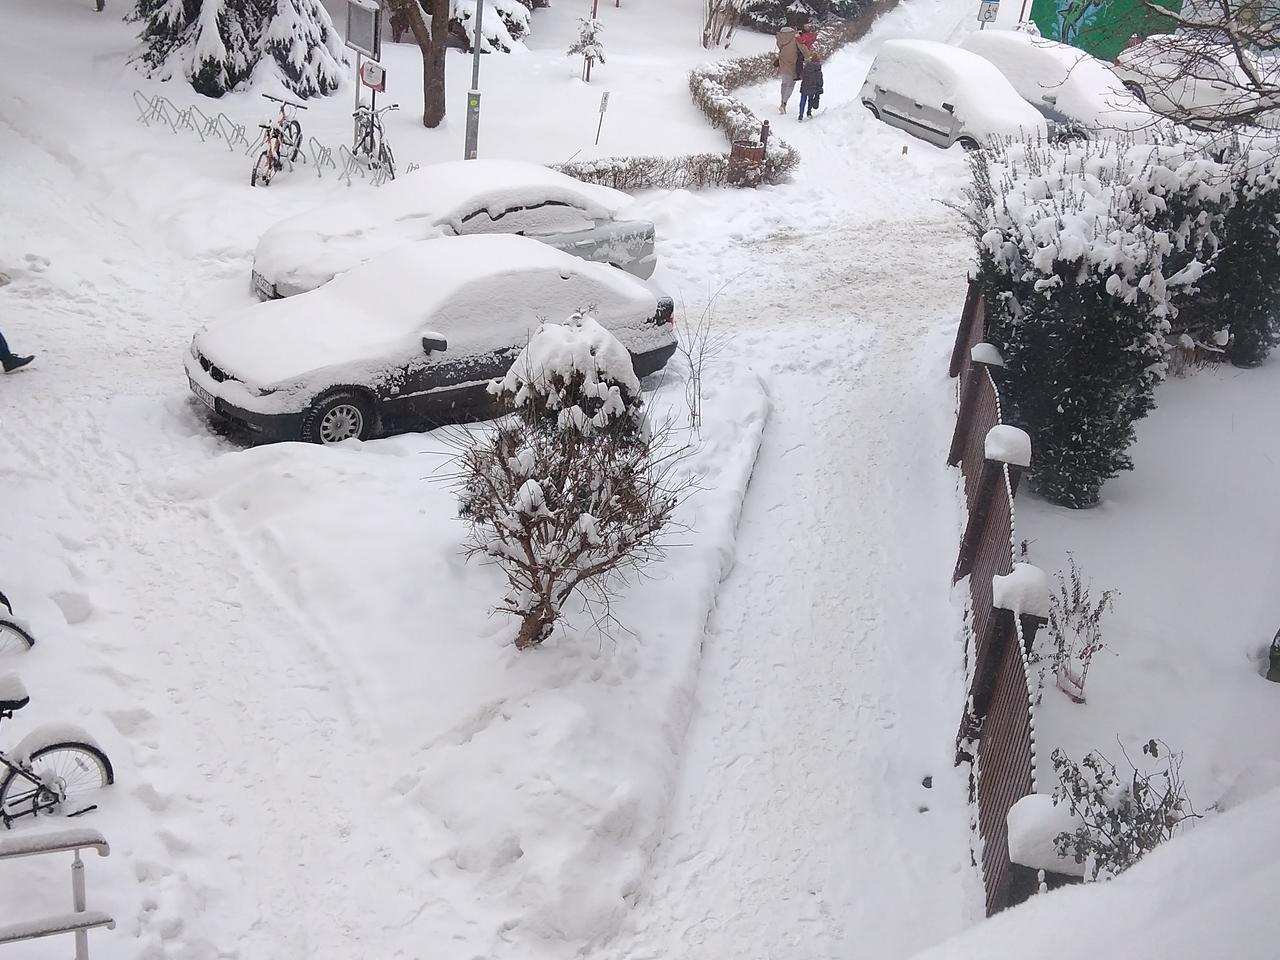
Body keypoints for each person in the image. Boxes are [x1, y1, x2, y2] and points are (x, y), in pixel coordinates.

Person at [775, 26, 806, 115]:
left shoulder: (780, 37)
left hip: (782, 62)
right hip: (793, 64)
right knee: (791, 84)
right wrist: (809, 57)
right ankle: (784, 103)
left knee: (784, 83)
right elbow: (803, 48)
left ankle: (782, 101)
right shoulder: (795, 37)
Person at [798, 51, 824, 121]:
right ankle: (809, 113)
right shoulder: (818, 69)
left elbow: (801, 75)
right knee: (810, 100)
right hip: (813, 87)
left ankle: (800, 115)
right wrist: (820, 87)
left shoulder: (807, 66)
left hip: (805, 86)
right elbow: (820, 80)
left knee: (802, 100)